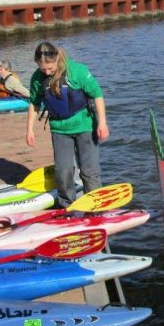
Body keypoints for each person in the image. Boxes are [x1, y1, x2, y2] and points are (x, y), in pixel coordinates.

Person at [25, 42, 108, 207]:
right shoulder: (37, 78)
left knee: (88, 171)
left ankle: (95, 205)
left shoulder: (77, 71)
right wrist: (30, 130)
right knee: (63, 172)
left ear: (56, 59)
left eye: (50, 68)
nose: (47, 72)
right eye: (43, 69)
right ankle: (67, 206)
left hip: (85, 126)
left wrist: (102, 123)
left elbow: (97, 94)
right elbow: (34, 104)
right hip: (59, 130)